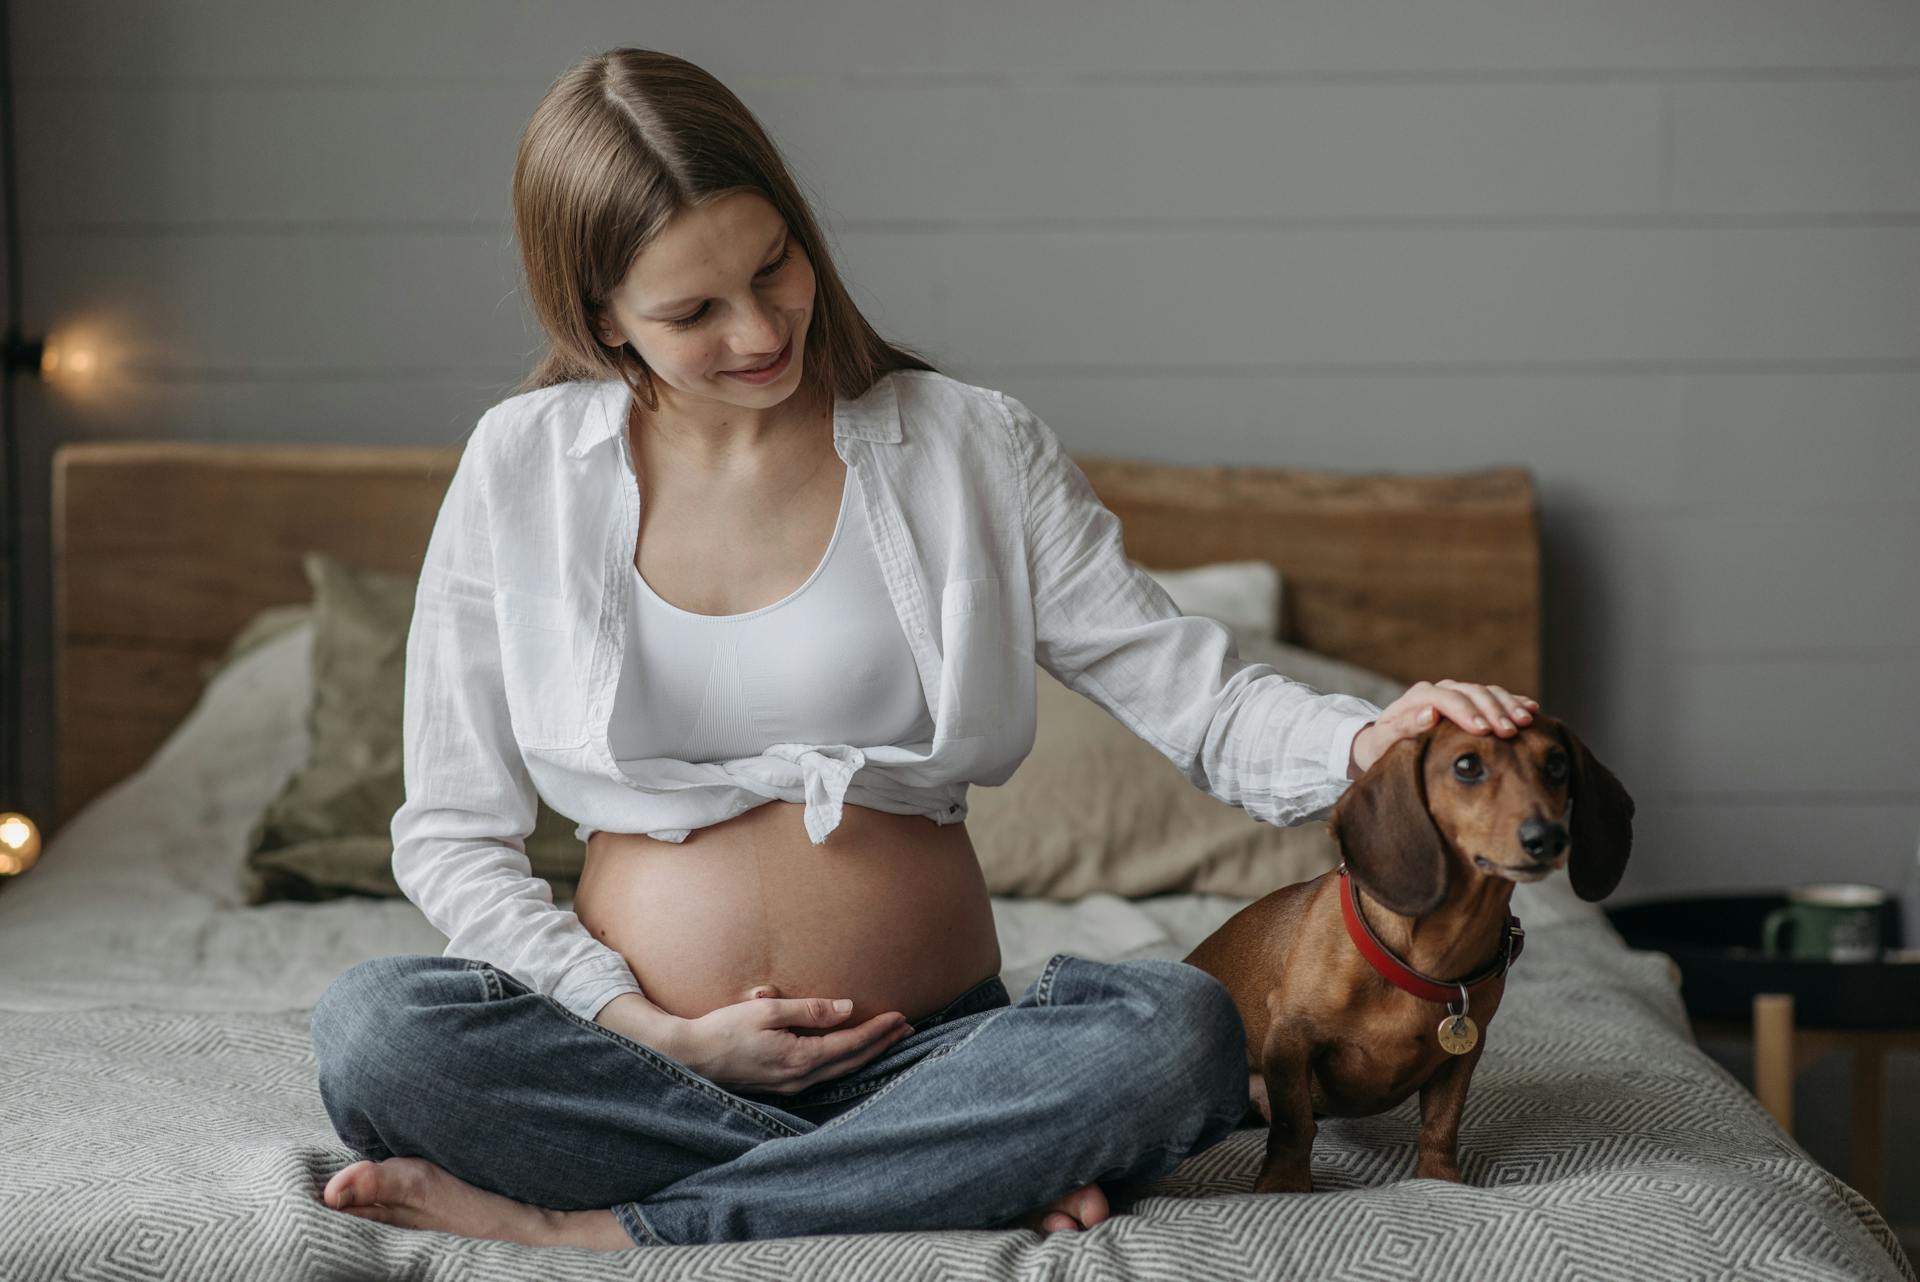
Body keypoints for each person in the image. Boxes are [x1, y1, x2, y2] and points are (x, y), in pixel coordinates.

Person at [307, 47, 1540, 1252]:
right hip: (640, 1062)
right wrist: (658, 1031)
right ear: (600, 317)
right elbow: (452, 833)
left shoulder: (970, 445)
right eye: (693, 310)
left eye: (775, 265)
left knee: (1177, 1030)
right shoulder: (521, 467)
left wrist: (1366, 738)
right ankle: (949, 1172)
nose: (758, 327)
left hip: (936, 1058)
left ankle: (605, 1225)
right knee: (375, 1030)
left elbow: (1197, 699)